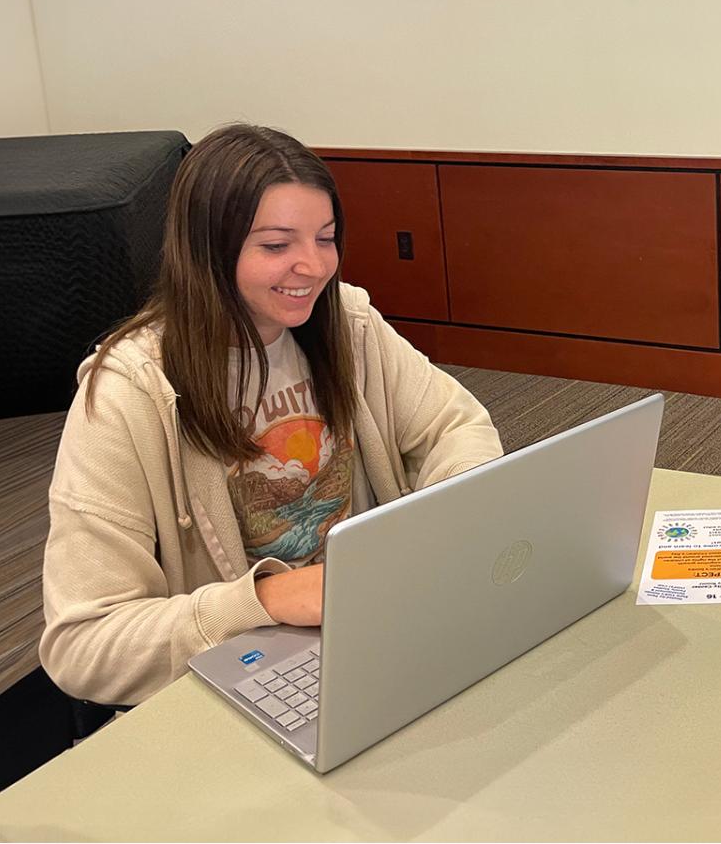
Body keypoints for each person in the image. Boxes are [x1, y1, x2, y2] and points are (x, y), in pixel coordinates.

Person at [40, 124, 504, 706]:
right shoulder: (128, 392)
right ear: (208, 250)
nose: (313, 267)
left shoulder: (347, 325)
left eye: (326, 238)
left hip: (372, 629)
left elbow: (456, 428)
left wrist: (438, 528)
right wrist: (265, 601)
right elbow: (82, 645)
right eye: (277, 245)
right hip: (245, 671)